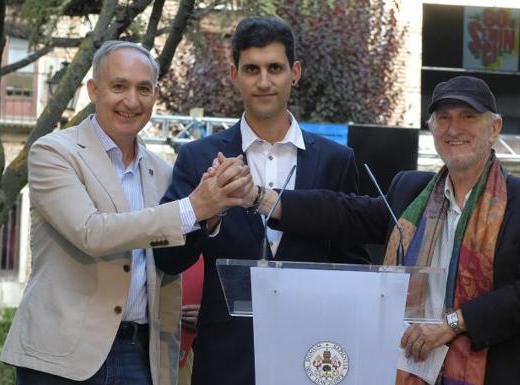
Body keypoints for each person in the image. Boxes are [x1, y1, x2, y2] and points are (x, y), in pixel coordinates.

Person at [242, 76, 520, 385]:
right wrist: (261, 198)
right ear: (432, 129)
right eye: (443, 118)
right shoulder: (412, 192)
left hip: (502, 373)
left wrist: (452, 324)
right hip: (415, 370)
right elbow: (346, 212)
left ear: (494, 127)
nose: (454, 128)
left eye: (468, 116)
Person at [0, 40, 251, 385]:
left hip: (140, 356)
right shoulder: (53, 152)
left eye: (143, 89)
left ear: (155, 95)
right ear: (93, 90)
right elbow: (92, 233)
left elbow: (165, 260)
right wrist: (193, 206)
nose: (131, 101)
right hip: (59, 359)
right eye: (119, 86)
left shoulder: (164, 172)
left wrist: (209, 213)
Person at [154, 16, 369, 385]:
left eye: (275, 68)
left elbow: (355, 267)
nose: (264, 81)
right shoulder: (198, 157)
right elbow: (168, 258)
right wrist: (206, 211)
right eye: (252, 69)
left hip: (315, 358)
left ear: (295, 72)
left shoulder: (337, 160)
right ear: (235, 73)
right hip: (225, 360)